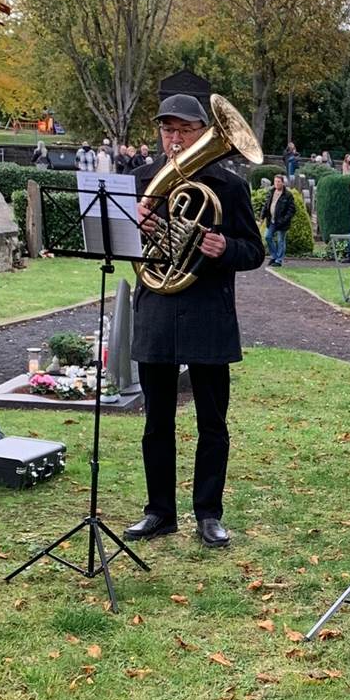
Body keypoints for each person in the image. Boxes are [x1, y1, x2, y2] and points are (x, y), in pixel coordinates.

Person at [124, 93, 264, 549]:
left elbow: (254, 252)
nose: (176, 138)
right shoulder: (141, 180)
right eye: (168, 130)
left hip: (207, 315)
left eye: (185, 130)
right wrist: (135, 229)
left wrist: (225, 248)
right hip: (159, 312)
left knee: (212, 423)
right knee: (156, 423)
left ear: (204, 132)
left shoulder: (228, 187)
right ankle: (159, 512)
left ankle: (208, 513)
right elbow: (122, 248)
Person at [260, 173, 296, 267]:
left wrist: (284, 219)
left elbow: (292, 210)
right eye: (275, 181)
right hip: (271, 220)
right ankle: (274, 256)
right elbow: (266, 205)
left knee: (281, 240)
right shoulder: (271, 192)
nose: (276, 183)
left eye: (278, 182)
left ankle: (279, 260)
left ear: (283, 183)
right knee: (267, 237)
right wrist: (262, 216)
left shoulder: (288, 195)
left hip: (282, 222)